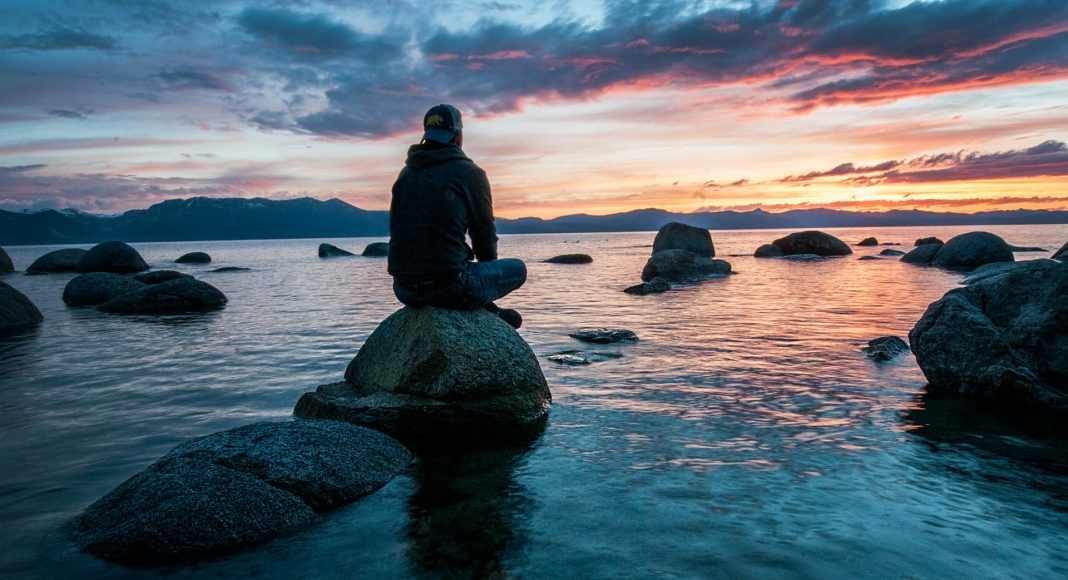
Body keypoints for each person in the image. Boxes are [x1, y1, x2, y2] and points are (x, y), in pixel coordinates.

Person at [387, 103, 526, 328]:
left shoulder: (406, 174)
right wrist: (486, 277)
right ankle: (489, 309)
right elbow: (484, 235)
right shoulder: (469, 173)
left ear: (426, 135)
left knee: (460, 265)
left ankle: (491, 310)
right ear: (458, 136)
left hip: (403, 289)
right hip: (449, 287)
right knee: (518, 269)